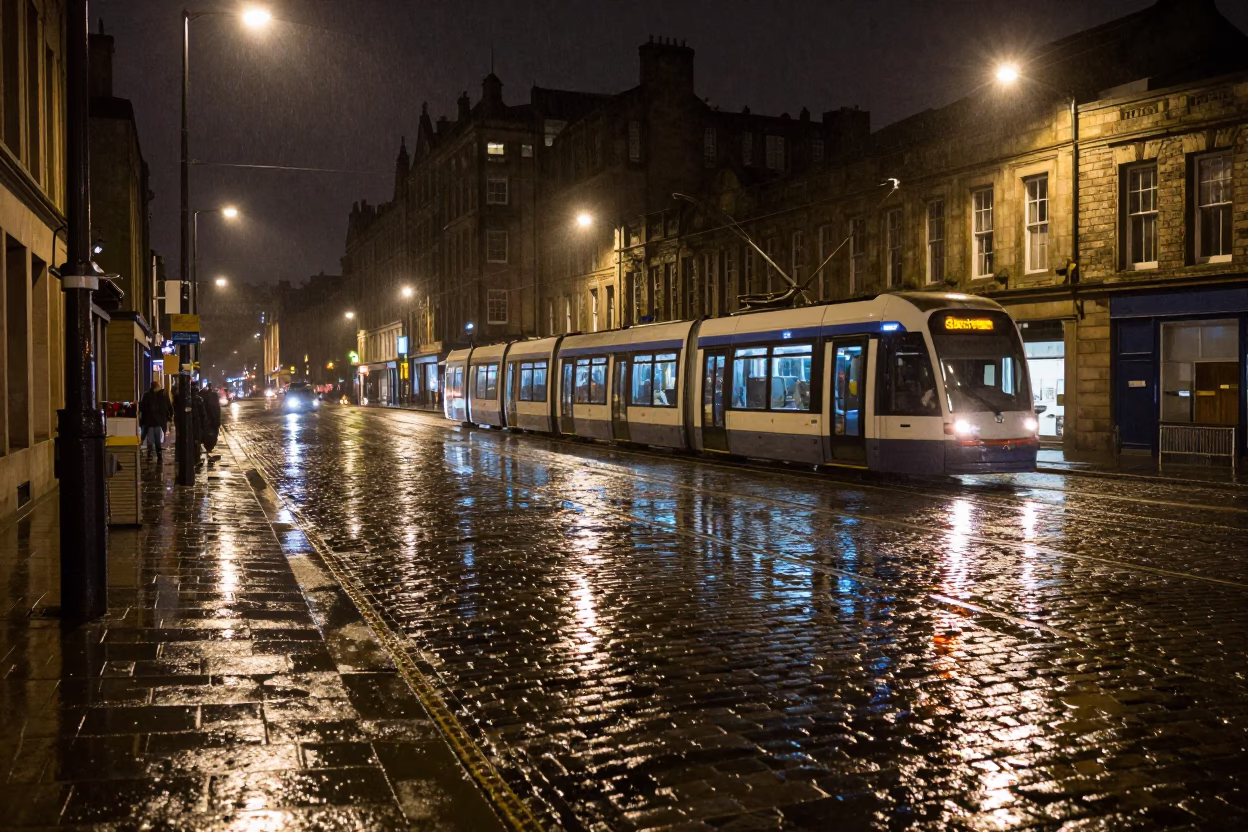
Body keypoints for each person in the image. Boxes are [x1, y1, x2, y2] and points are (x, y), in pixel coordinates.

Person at [139, 380, 172, 463]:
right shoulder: (163, 395)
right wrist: (169, 417)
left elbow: (142, 408)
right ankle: (157, 455)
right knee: (156, 439)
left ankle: (152, 454)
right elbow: (168, 407)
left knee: (152, 439)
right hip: (157, 422)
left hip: (151, 422)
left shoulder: (147, 395)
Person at [199, 381, 222, 456]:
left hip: (209, 421)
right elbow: (216, 411)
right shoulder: (212, 397)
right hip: (211, 421)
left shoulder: (204, 396)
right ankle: (209, 448)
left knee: (209, 435)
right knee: (211, 435)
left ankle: (208, 448)